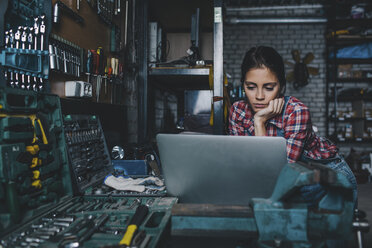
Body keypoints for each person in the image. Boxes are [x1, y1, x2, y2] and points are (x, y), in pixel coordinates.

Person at [228, 46, 357, 206]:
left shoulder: (296, 112)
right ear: (243, 85)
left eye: (269, 87)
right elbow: (242, 163)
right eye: (251, 87)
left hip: (327, 179)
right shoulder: (237, 111)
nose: (259, 96)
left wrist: (259, 121)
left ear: (281, 86)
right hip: (288, 180)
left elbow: (276, 175)